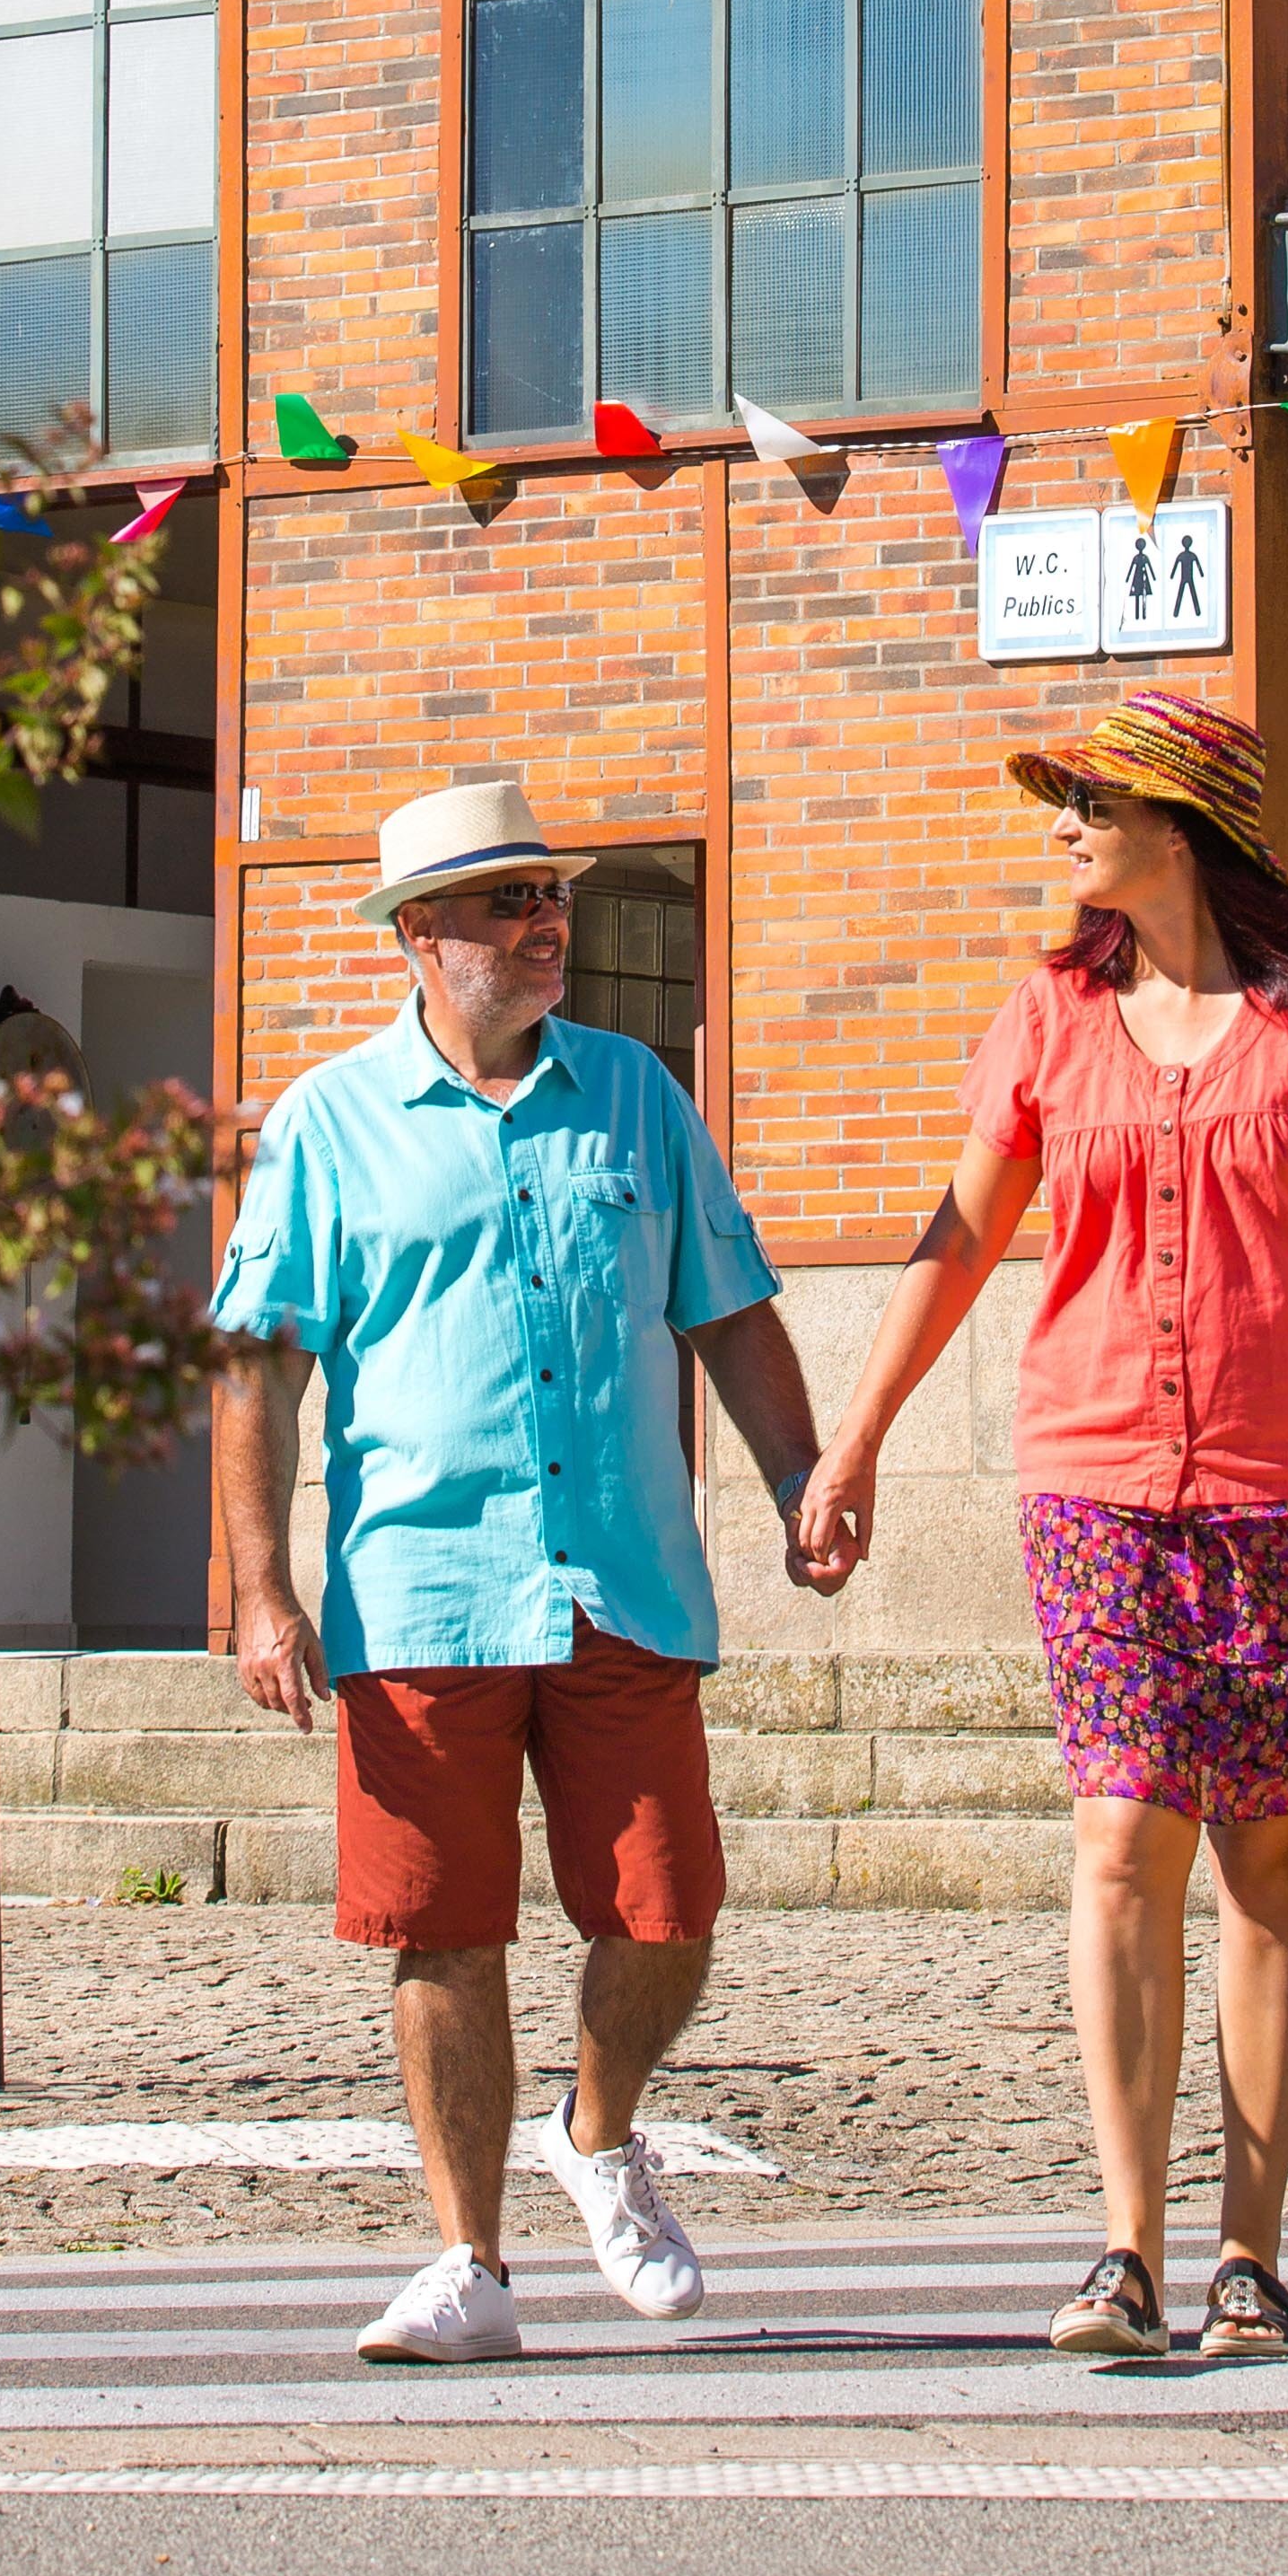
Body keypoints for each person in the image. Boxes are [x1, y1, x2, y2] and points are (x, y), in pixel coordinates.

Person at [791, 695, 1288, 2371]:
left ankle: (1252, 2252)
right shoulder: (1048, 1014)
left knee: (1270, 1861)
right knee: (1121, 1841)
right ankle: (1125, 2248)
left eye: (1092, 801)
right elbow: (958, 1241)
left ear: (1180, 828)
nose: (1065, 827)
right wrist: (858, 1437)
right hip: (1099, 1487)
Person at [214, 773, 852, 2366]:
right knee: (442, 1929)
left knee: (669, 1908)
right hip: (420, 1587)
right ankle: (467, 2261)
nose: (546, 919)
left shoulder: (638, 1096)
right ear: (422, 936)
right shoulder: (327, 1126)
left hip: (620, 1578)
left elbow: (730, 1309)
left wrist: (801, 1479)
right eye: (509, 901)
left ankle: (597, 2127)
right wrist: (258, 1585)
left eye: (551, 893)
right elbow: (256, 1371)